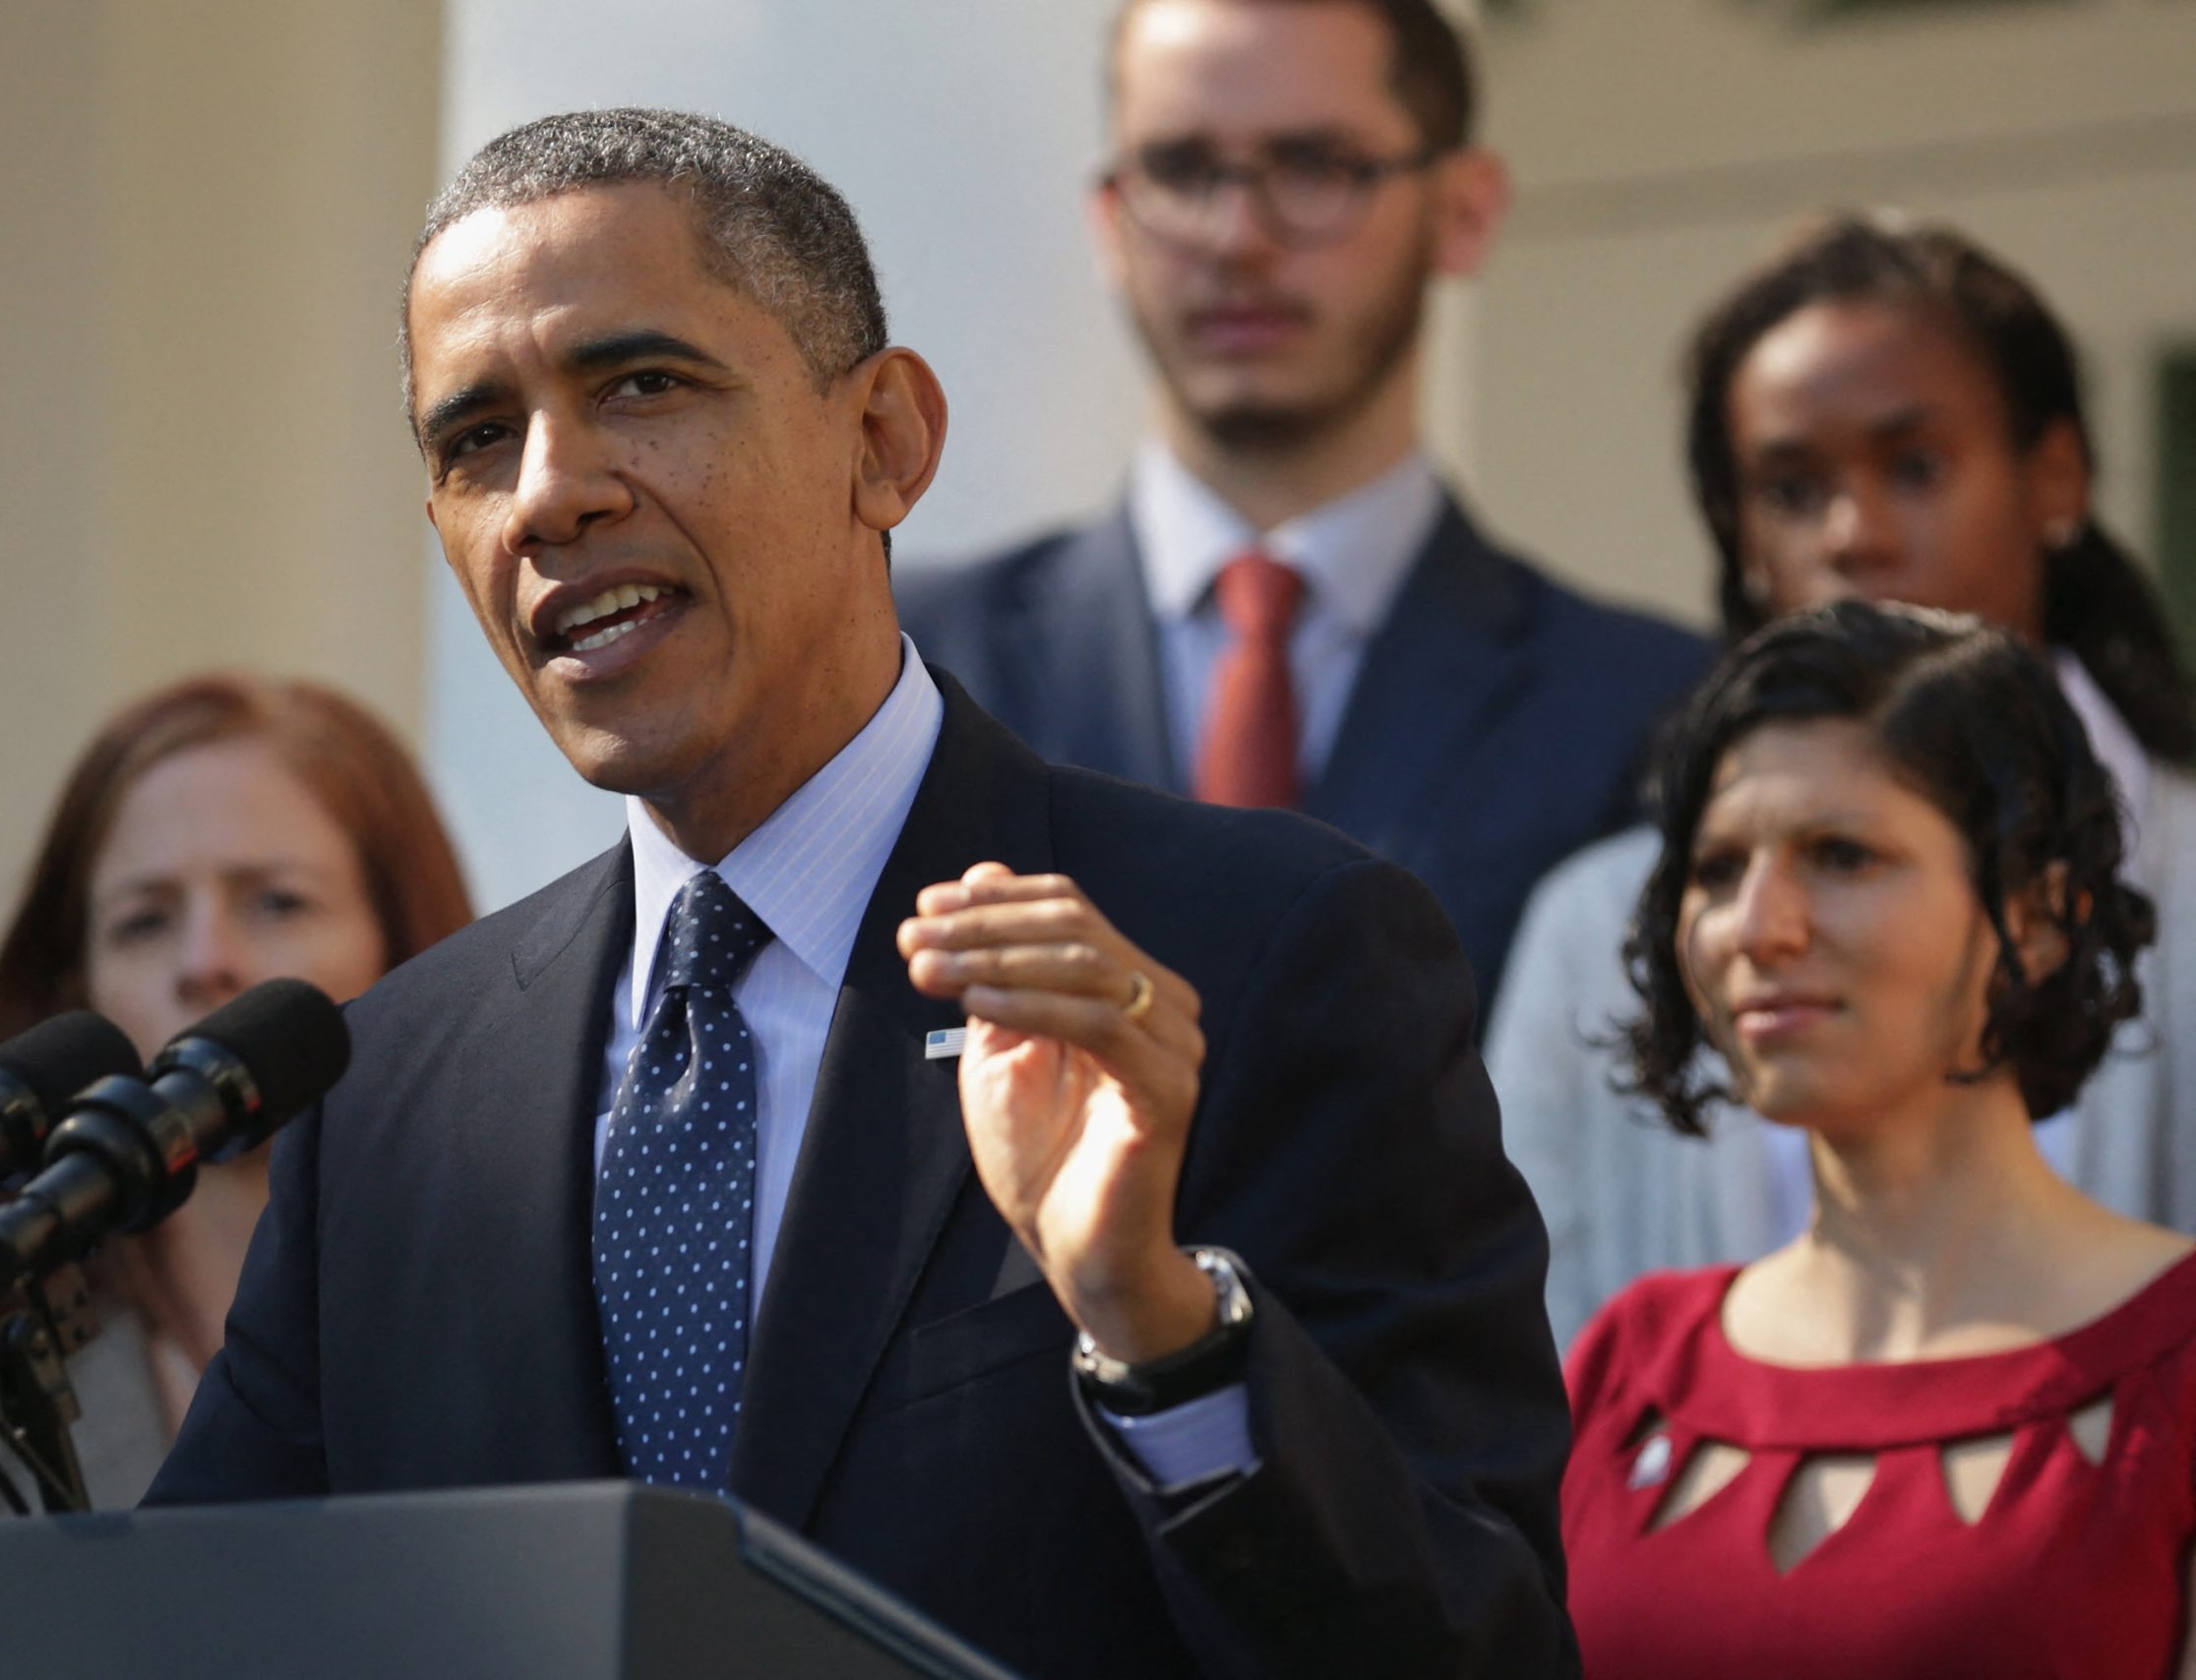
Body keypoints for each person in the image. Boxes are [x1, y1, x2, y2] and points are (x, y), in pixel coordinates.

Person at [146, 108, 1574, 1679]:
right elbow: (203, 1632)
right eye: (476, 438)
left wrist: (1159, 1330)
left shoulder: (1258, 954)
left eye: (642, 385)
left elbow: (1474, 1645)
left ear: (884, 441)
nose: (550, 493)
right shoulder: (389, 1092)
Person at [898, 0, 1708, 1007]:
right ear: (1109, 220)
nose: (1236, 236)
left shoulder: (1647, 712)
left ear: (1462, 212)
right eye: (1181, 170)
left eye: (1317, 165)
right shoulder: (901, 666)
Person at [1487, 214, 2196, 1346]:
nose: (1854, 533)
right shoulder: (1595, 929)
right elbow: (1533, 1370)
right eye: (1790, 487)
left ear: (2054, 475)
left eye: (1914, 467)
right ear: (1739, 537)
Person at [1562, 600, 2196, 1676]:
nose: (1757, 927)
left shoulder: (2173, 1363)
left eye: (1842, 855)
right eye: (1717, 869)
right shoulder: (1629, 1367)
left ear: (2037, 917)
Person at [0, 673, 473, 1523]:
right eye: (144, 920)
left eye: (277, 902)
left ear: (406, 950)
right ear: (77, 989)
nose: (204, 961)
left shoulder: (524, 1318)